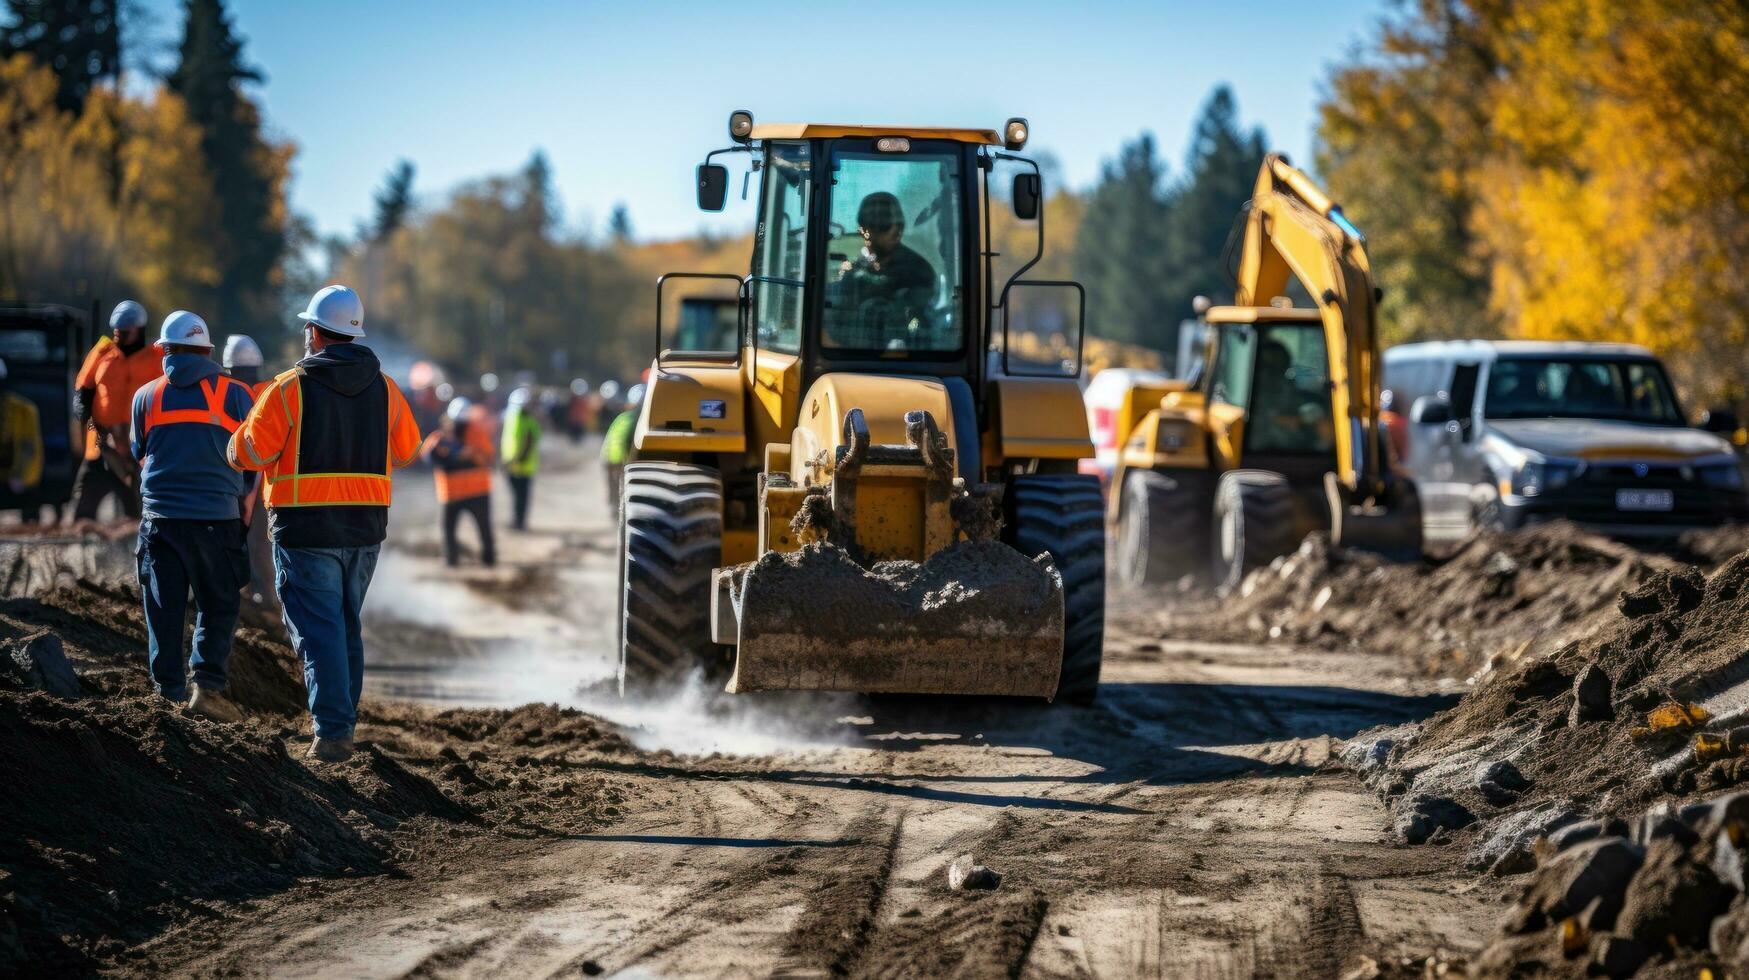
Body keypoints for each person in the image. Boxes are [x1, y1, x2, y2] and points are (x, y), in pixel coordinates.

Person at [228, 285, 422, 763]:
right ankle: (341, 724)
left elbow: (248, 453)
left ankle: (334, 733)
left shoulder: (287, 388)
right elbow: (408, 449)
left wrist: (235, 437)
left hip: (305, 531)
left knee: (319, 633)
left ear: (314, 332)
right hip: (364, 532)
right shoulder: (386, 388)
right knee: (342, 627)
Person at [130, 311, 256, 721]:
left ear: (164, 351)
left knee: (162, 609)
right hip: (215, 521)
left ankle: (166, 692)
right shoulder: (237, 394)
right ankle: (206, 689)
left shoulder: (145, 396)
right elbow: (252, 461)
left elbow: (140, 452)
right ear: (208, 351)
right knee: (218, 605)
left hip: (159, 522)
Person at [73, 300, 163, 521]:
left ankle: (134, 551)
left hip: (141, 449)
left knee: (140, 510)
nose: (119, 337)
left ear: (139, 330)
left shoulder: (156, 356)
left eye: (125, 332)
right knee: (84, 505)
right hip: (101, 445)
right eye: (116, 332)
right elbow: (82, 394)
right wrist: (94, 427)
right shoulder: (102, 351)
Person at [827, 191, 936, 348]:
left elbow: (923, 322)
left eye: (899, 224)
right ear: (864, 230)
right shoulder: (854, 271)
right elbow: (839, 319)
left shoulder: (918, 271)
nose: (895, 230)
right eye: (884, 224)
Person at [222, 334, 276, 603]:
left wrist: (246, 494)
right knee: (261, 541)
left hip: (251, 481)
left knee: (254, 540)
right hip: (273, 484)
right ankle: (262, 593)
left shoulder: (230, 393)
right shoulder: (273, 390)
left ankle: (262, 595)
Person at [422, 397, 496, 566]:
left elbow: (487, 458)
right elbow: (428, 454)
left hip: (464, 492)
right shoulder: (442, 438)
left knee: (464, 528)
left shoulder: (473, 433)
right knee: (458, 529)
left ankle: (480, 559)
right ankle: (463, 559)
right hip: (463, 492)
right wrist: (456, 456)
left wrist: (468, 455)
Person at [0, 357, 44, 518]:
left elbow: (30, 446)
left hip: (18, 474)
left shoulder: (24, 410)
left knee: (30, 499)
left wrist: (19, 476)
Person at [500, 386, 542, 531]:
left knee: (520, 497)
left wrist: (514, 460)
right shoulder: (519, 418)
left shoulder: (523, 420)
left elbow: (525, 443)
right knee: (518, 497)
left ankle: (519, 523)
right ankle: (517, 521)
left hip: (520, 465)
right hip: (516, 464)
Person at [600, 383, 643, 512]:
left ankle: (614, 509)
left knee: (615, 488)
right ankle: (616, 510)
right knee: (621, 489)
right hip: (620, 459)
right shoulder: (637, 419)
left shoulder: (622, 417)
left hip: (609, 458)